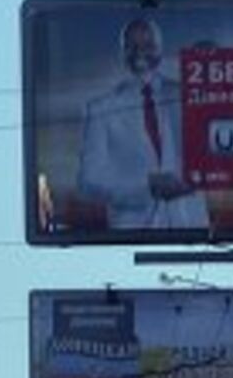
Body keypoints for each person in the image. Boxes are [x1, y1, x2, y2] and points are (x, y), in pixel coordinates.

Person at [77, 15, 209, 230]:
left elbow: (216, 154)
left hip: (190, 226)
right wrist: (146, 186)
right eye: (132, 46)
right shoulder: (101, 109)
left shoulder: (189, 97)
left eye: (148, 45)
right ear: (122, 52)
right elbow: (89, 181)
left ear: (160, 49)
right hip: (131, 231)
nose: (140, 52)